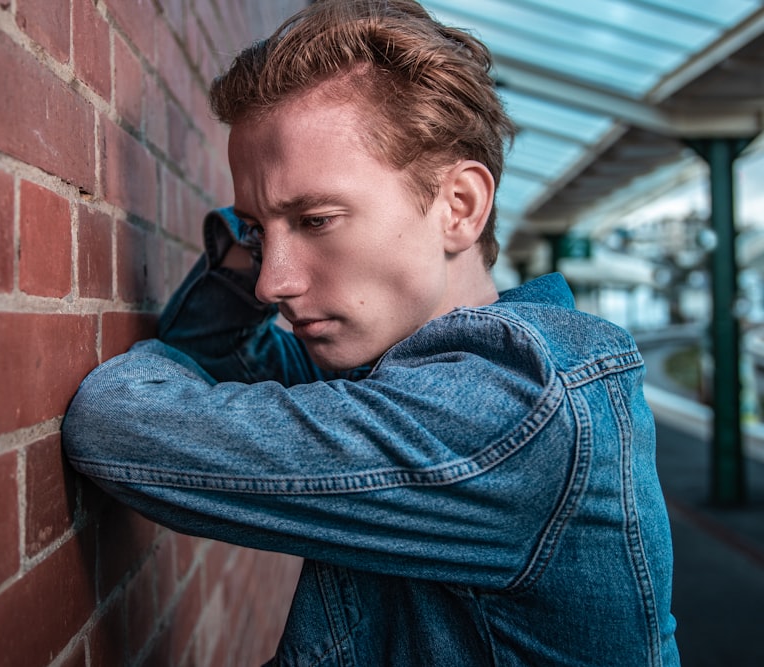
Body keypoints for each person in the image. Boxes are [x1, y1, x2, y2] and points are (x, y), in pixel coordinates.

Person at [62, 0, 680, 664]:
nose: (269, 284)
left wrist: (269, 207)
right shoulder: (387, 370)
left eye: (318, 218)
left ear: (460, 206)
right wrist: (274, 206)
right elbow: (205, 352)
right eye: (257, 233)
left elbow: (116, 421)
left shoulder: (519, 409)